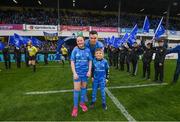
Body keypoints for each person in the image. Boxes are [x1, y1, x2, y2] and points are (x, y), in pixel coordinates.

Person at [70, 36, 92, 117]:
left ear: (84, 41)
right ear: (77, 42)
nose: (80, 42)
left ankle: (82, 103)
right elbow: (72, 61)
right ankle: (75, 108)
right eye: (78, 41)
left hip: (85, 73)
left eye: (81, 40)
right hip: (77, 74)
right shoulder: (75, 50)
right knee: (76, 90)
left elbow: (90, 60)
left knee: (83, 89)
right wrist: (74, 73)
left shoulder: (88, 50)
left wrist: (89, 71)